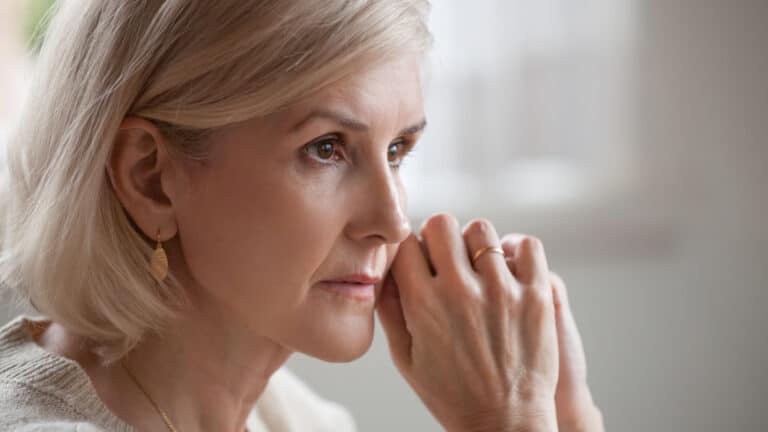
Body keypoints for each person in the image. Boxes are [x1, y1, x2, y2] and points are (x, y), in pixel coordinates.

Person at [0, 1, 604, 431]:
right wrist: (504, 420)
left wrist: (566, 417)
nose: (392, 223)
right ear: (150, 178)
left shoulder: (292, 418)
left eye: (398, 150)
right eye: (327, 148)